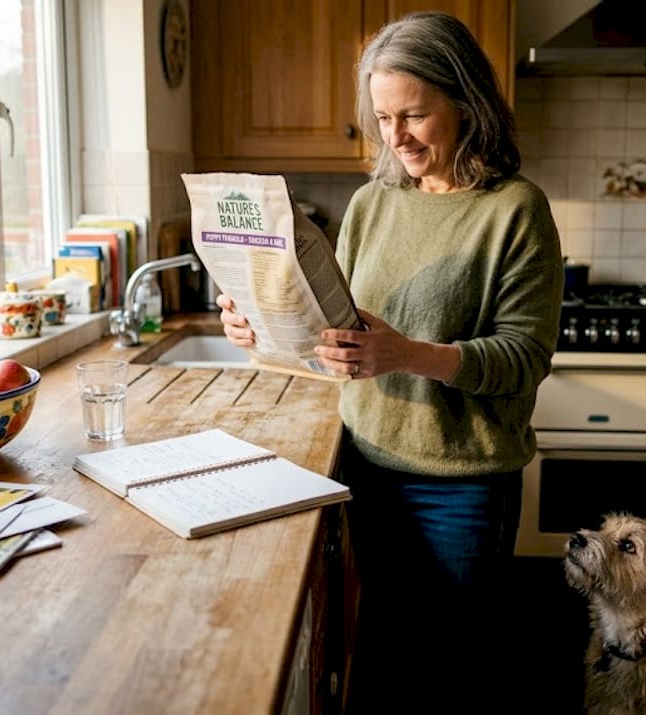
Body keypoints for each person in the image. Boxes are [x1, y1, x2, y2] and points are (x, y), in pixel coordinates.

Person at [218, 11, 563, 712]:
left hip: (462, 486)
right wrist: (258, 327)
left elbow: (523, 359)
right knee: (388, 659)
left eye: (414, 115)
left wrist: (404, 353)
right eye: (382, 117)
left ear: (466, 103)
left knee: (451, 671)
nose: (395, 136)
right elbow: (336, 339)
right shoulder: (371, 204)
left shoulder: (515, 210)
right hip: (367, 465)